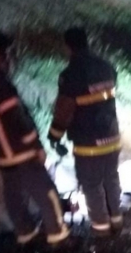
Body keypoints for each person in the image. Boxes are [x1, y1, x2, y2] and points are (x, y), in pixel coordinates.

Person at [48, 27, 123, 236]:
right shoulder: (107, 67)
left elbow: (64, 110)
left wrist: (54, 136)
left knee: (91, 184)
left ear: (68, 47)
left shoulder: (70, 75)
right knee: (111, 178)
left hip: (88, 142)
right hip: (112, 136)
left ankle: (101, 230)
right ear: (86, 42)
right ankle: (116, 221)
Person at [0, 31, 69, 245]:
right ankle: (58, 234)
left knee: (13, 196)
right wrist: (36, 145)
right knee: (46, 192)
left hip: (2, 156)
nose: (8, 58)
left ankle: (25, 233)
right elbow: (17, 117)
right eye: (5, 54)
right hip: (21, 150)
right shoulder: (1, 83)